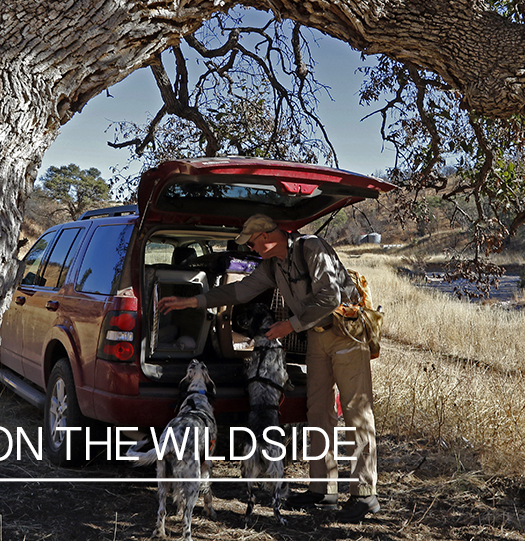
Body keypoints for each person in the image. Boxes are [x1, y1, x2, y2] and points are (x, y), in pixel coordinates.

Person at [157, 214, 380, 522]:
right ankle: (322, 490)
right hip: (316, 337)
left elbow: (331, 296)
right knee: (319, 410)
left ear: (265, 237)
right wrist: (192, 303)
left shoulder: (311, 248)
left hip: (346, 332)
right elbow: (239, 292)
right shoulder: (273, 266)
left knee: (356, 411)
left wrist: (290, 325)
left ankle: (365, 494)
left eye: (251, 243)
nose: (251, 249)